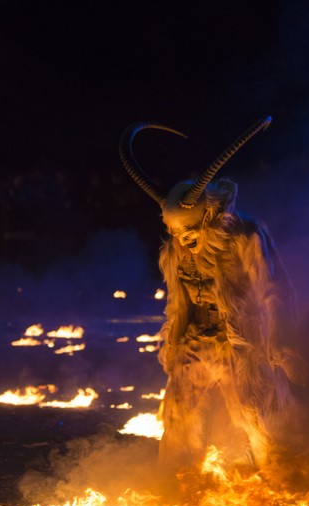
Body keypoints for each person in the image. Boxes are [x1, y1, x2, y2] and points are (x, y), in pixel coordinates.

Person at [119, 117, 299, 473]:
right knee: (180, 412)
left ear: (209, 215)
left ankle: (281, 479)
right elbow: (177, 301)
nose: (183, 239)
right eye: (175, 231)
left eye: (188, 230)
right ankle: (177, 481)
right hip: (196, 340)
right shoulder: (176, 248)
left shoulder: (246, 236)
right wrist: (175, 344)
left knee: (256, 411)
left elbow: (275, 290)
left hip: (242, 343)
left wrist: (280, 340)